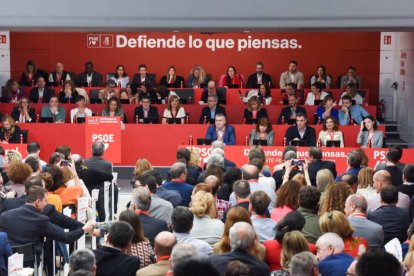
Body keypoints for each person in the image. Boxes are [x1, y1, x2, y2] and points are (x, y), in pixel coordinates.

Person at [0, 186, 93, 265]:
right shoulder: (40, 220)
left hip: (5, 261)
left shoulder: (4, 216)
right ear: (37, 202)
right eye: (45, 201)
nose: (46, 204)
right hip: (29, 263)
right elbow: (66, 237)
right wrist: (84, 228)